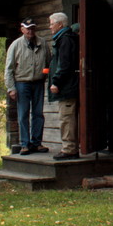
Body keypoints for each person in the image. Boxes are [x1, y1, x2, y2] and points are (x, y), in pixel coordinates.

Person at [5, 17, 50, 155]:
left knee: (38, 113)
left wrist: (44, 76)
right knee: (23, 113)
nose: (30, 31)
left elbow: (48, 63)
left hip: (38, 83)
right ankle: (25, 144)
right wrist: (11, 88)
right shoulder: (16, 45)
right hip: (22, 82)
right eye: (28, 28)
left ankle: (37, 142)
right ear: (22, 29)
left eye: (32, 28)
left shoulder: (42, 43)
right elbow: (9, 68)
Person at [48, 12, 80, 160]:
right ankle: (69, 147)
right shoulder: (64, 38)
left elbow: (64, 64)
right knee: (66, 117)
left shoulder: (65, 39)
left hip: (67, 87)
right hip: (67, 85)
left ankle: (69, 149)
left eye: (51, 24)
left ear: (60, 24)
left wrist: (56, 81)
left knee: (66, 118)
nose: (50, 27)